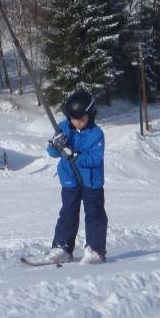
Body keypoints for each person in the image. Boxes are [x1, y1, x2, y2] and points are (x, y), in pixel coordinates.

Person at [46, 90, 108, 264]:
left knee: (94, 214)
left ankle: (95, 249)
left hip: (91, 181)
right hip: (70, 179)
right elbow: (52, 153)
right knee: (68, 212)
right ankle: (62, 248)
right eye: (74, 119)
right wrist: (55, 144)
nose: (77, 123)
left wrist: (75, 155)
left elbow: (95, 159)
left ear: (91, 115)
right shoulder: (64, 128)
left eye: (82, 119)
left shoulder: (96, 134)